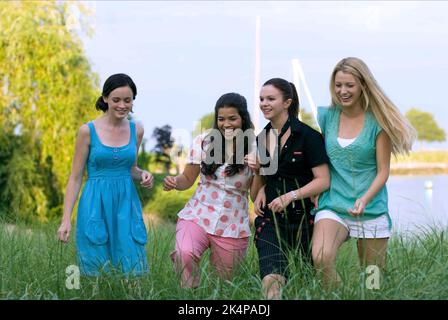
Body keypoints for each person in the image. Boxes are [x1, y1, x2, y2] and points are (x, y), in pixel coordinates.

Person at [311, 57, 415, 289]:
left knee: (372, 282)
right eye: (338, 85)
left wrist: (364, 199)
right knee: (320, 256)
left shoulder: (378, 123)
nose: (343, 91)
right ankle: (339, 295)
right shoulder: (326, 116)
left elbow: (383, 172)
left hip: (371, 208)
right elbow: (320, 158)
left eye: (349, 85)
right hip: (334, 204)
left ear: (363, 86)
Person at [57, 73, 154, 277]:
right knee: (96, 268)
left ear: (133, 101)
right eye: (116, 100)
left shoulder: (137, 130)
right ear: (105, 99)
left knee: (132, 266)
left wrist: (144, 174)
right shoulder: (87, 131)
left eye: (127, 100)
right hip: (95, 204)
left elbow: (131, 168)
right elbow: (75, 178)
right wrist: (66, 219)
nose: (122, 105)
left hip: (126, 204)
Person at [163, 92, 261, 288]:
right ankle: (190, 293)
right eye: (221, 119)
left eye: (232, 118)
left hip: (232, 225)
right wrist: (174, 182)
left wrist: (259, 171)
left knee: (223, 287)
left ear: (243, 118)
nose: (226, 124)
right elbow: (187, 179)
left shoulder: (257, 148)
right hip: (198, 215)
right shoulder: (203, 141)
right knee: (185, 252)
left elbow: (255, 196)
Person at [251, 78, 330, 299]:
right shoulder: (260, 138)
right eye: (261, 99)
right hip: (271, 222)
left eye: (270, 99)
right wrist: (259, 178)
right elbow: (257, 191)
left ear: (287, 102)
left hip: (305, 221)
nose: (264, 103)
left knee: (306, 284)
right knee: (271, 280)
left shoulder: (308, 136)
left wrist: (291, 196)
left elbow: (323, 180)